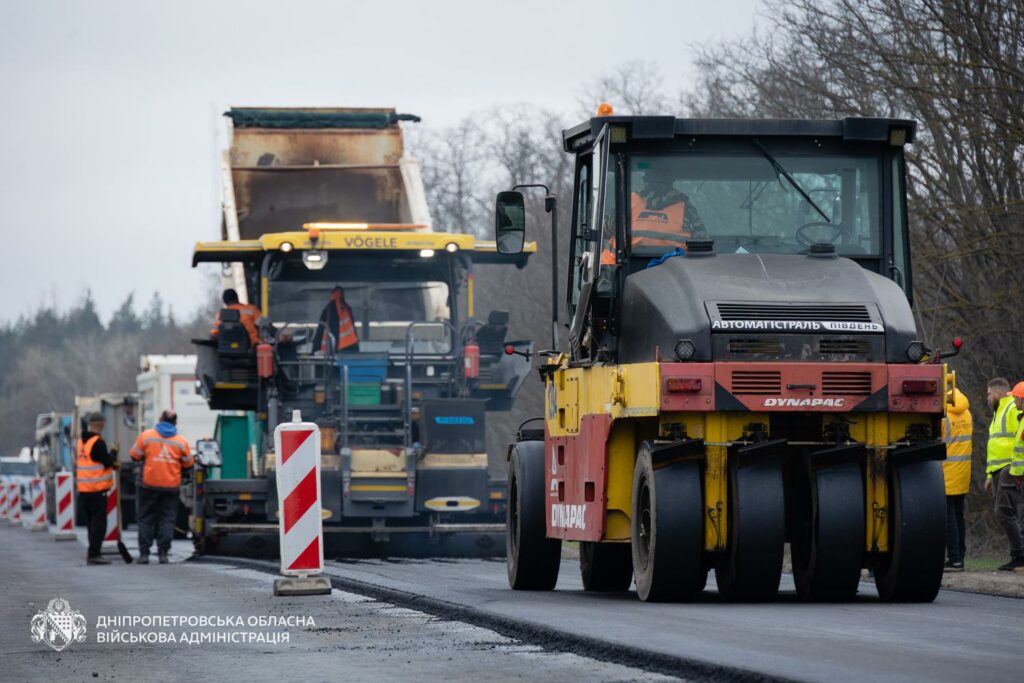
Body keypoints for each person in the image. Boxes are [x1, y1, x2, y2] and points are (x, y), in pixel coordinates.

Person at [130, 410, 192, 564]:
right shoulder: (181, 441)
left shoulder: (146, 436)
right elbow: (188, 464)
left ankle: (144, 554)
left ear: (160, 419)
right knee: (167, 519)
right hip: (171, 486)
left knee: (145, 518)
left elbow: (134, 455)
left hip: (148, 484)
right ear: (175, 423)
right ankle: (163, 553)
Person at [985, 377, 1024, 571]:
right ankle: (1018, 556)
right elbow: (995, 446)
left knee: (1004, 512)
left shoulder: (1010, 408)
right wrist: (989, 474)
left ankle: (1020, 556)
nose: (987, 397)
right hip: (1000, 470)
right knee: (1009, 512)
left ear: (998, 393)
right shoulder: (999, 410)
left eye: (989, 393)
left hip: (1011, 467)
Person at [629, 164, 707, 251]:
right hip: (676, 264)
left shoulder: (627, 203)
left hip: (631, 264)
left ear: (645, 179)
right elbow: (703, 245)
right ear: (671, 180)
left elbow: (611, 233)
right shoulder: (687, 210)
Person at [76, 412, 117, 565]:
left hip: (84, 489)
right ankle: (94, 554)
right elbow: (107, 462)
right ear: (100, 424)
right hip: (97, 489)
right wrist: (113, 453)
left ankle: (92, 552)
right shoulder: (97, 442)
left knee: (90, 523)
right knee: (98, 524)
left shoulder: (81, 442)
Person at [941, 387, 972, 572]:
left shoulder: (943, 416)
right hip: (962, 472)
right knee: (959, 515)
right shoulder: (967, 413)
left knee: (948, 517)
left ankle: (954, 558)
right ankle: (960, 557)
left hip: (946, 472)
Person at [313, 285, 359, 353]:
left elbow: (320, 331)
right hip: (347, 348)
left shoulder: (327, 311)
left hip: (329, 350)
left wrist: (315, 349)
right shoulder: (346, 309)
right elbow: (353, 331)